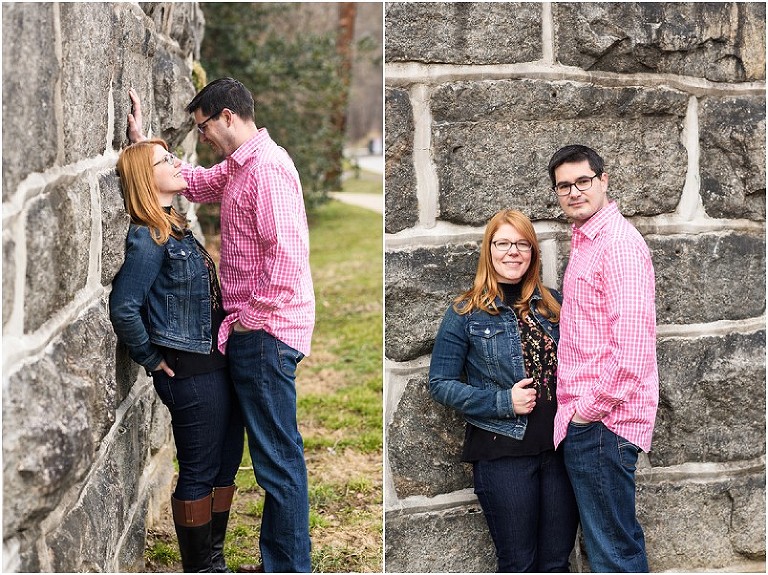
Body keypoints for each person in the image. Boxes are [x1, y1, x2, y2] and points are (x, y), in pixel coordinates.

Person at [127, 79, 315, 573]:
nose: (203, 136)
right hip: (255, 332)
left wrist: (248, 322)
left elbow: (288, 258)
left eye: (204, 126)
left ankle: (289, 568)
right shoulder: (240, 167)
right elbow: (189, 180)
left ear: (227, 116)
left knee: (278, 461)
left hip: (265, 334)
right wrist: (144, 146)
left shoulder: (268, 169)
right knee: (274, 458)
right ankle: (279, 562)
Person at [110, 139, 244, 572]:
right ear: (147, 180)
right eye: (164, 160)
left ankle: (216, 560)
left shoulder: (173, 224)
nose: (176, 162)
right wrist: (150, 357)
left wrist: (144, 136)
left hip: (217, 361)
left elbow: (150, 159)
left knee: (226, 462)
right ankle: (201, 568)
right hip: (188, 373)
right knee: (201, 468)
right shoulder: (148, 237)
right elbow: (125, 306)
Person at [429, 209, 578, 572]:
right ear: (489, 250)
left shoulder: (554, 304)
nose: (513, 252)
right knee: (518, 563)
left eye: (522, 244)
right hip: (503, 454)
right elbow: (440, 383)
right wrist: (503, 401)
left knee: (557, 563)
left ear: (533, 252)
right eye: (503, 243)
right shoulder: (465, 312)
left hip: (562, 451)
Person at [548, 144, 659, 572]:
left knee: (612, 551)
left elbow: (631, 351)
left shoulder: (617, 246)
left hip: (603, 423)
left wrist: (586, 412)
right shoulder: (587, 241)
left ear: (603, 180)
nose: (574, 192)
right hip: (593, 422)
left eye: (583, 181)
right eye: (564, 186)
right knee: (611, 541)